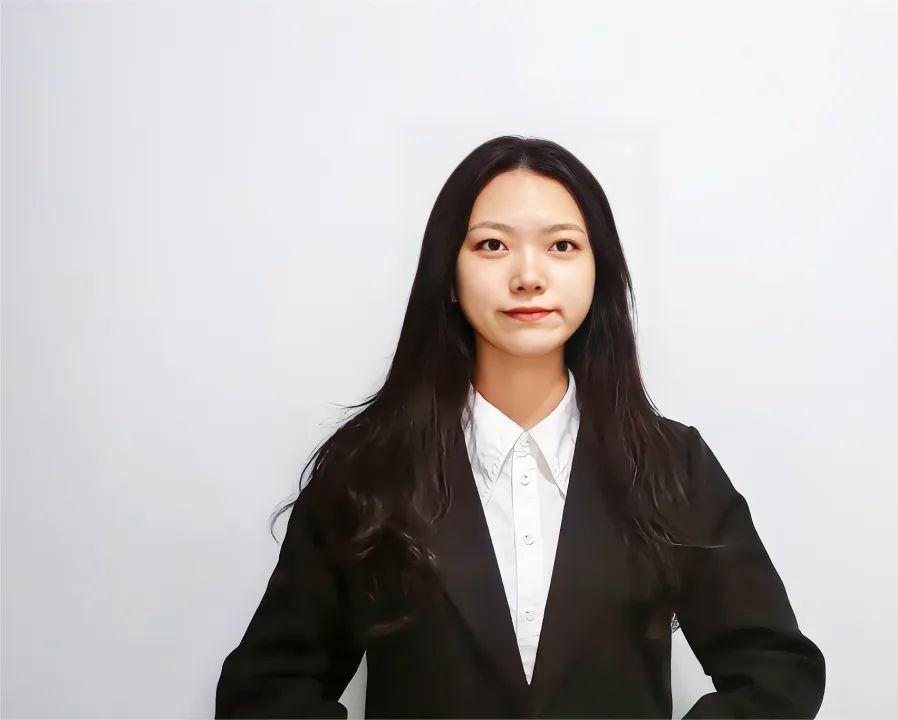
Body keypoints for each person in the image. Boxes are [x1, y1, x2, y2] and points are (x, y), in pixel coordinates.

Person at [214, 135, 826, 719]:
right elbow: (268, 688)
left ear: (599, 272)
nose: (529, 276)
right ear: (447, 277)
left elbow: (775, 670)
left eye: (562, 246)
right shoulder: (370, 467)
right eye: (492, 245)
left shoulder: (672, 464)